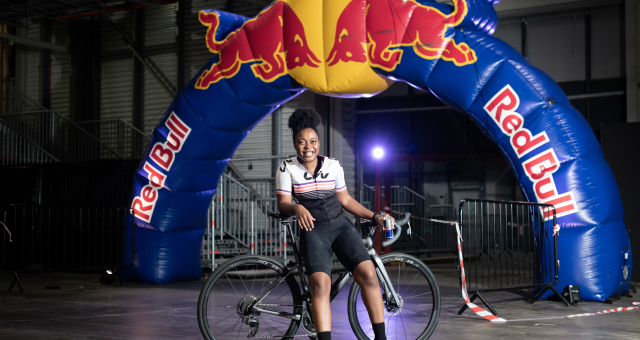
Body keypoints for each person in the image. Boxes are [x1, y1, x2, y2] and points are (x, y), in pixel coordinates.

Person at [276, 108, 394, 340]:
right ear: (294, 143)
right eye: (302, 142)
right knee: (320, 284)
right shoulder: (286, 168)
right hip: (313, 230)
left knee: (369, 274)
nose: (308, 147)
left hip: (341, 225)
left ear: (319, 142)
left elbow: (346, 200)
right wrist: (297, 207)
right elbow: (283, 204)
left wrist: (374, 216)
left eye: (312, 141)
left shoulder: (333, 165)